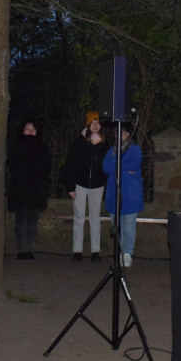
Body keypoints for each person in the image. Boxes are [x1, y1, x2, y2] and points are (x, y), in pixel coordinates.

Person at [62, 111, 108, 262]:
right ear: (88, 125)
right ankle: (77, 251)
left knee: (95, 217)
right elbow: (71, 164)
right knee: (79, 217)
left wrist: (99, 144)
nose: (95, 125)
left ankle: (95, 251)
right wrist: (70, 187)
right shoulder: (80, 142)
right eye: (92, 123)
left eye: (97, 122)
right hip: (80, 184)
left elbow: (107, 165)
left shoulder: (104, 143)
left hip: (97, 185)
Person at [7, 120, 51, 260]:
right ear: (22, 130)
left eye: (33, 128)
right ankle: (22, 249)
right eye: (27, 128)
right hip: (21, 190)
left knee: (33, 222)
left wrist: (40, 183)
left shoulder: (42, 147)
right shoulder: (16, 146)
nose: (31, 131)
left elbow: (46, 168)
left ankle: (29, 248)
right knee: (21, 221)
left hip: (36, 191)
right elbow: (13, 167)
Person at [102, 121, 143, 268]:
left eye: (123, 132)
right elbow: (106, 168)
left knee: (128, 225)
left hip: (130, 194)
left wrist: (118, 165)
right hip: (114, 193)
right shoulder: (111, 151)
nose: (120, 135)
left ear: (128, 134)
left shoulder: (136, 149)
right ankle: (118, 252)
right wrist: (118, 164)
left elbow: (132, 165)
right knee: (116, 225)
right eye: (118, 132)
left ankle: (127, 253)